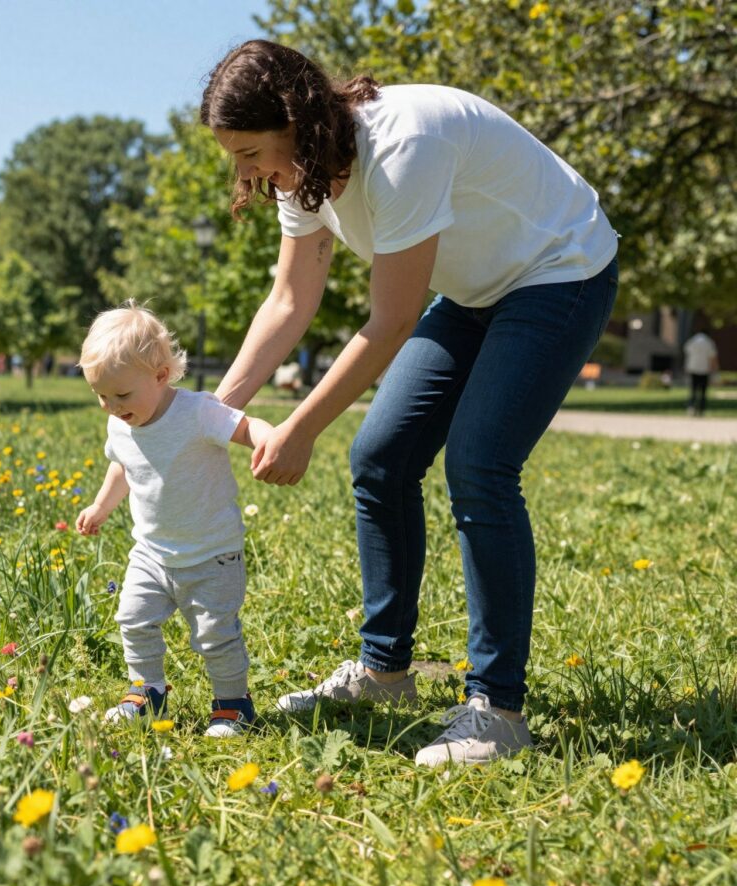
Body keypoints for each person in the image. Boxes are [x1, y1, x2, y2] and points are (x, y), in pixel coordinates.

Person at [201, 40, 619, 764]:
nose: (244, 174)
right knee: (381, 455)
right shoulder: (303, 174)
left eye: (250, 152)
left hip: (559, 267)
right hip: (475, 289)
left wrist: (300, 427)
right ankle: (384, 672)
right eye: (234, 158)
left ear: (295, 121)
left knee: (481, 463)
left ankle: (498, 708)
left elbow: (391, 321)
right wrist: (208, 414)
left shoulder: (400, 147)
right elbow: (290, 300)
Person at [75, 301, 273, 738]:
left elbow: (244, 426)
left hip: (212, 554)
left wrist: (268, 437)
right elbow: (123, 467)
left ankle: (232, 704)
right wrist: (100, 507)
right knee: (132, 617)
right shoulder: (120, 425)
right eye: (101, 396)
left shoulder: (198, 412)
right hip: (151, 552)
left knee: (214, 636)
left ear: (161, 375)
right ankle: (146, 691)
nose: (110, 406)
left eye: (121, 395)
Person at [683, 328, 719, 417]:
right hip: (704, 369)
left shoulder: (692, 341)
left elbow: (687, 352)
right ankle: (701, 410)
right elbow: (712, 357)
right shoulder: (709, 342)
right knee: (703, 391)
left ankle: (691, 407)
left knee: (693, 390)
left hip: (693, 368)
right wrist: (715, 369)